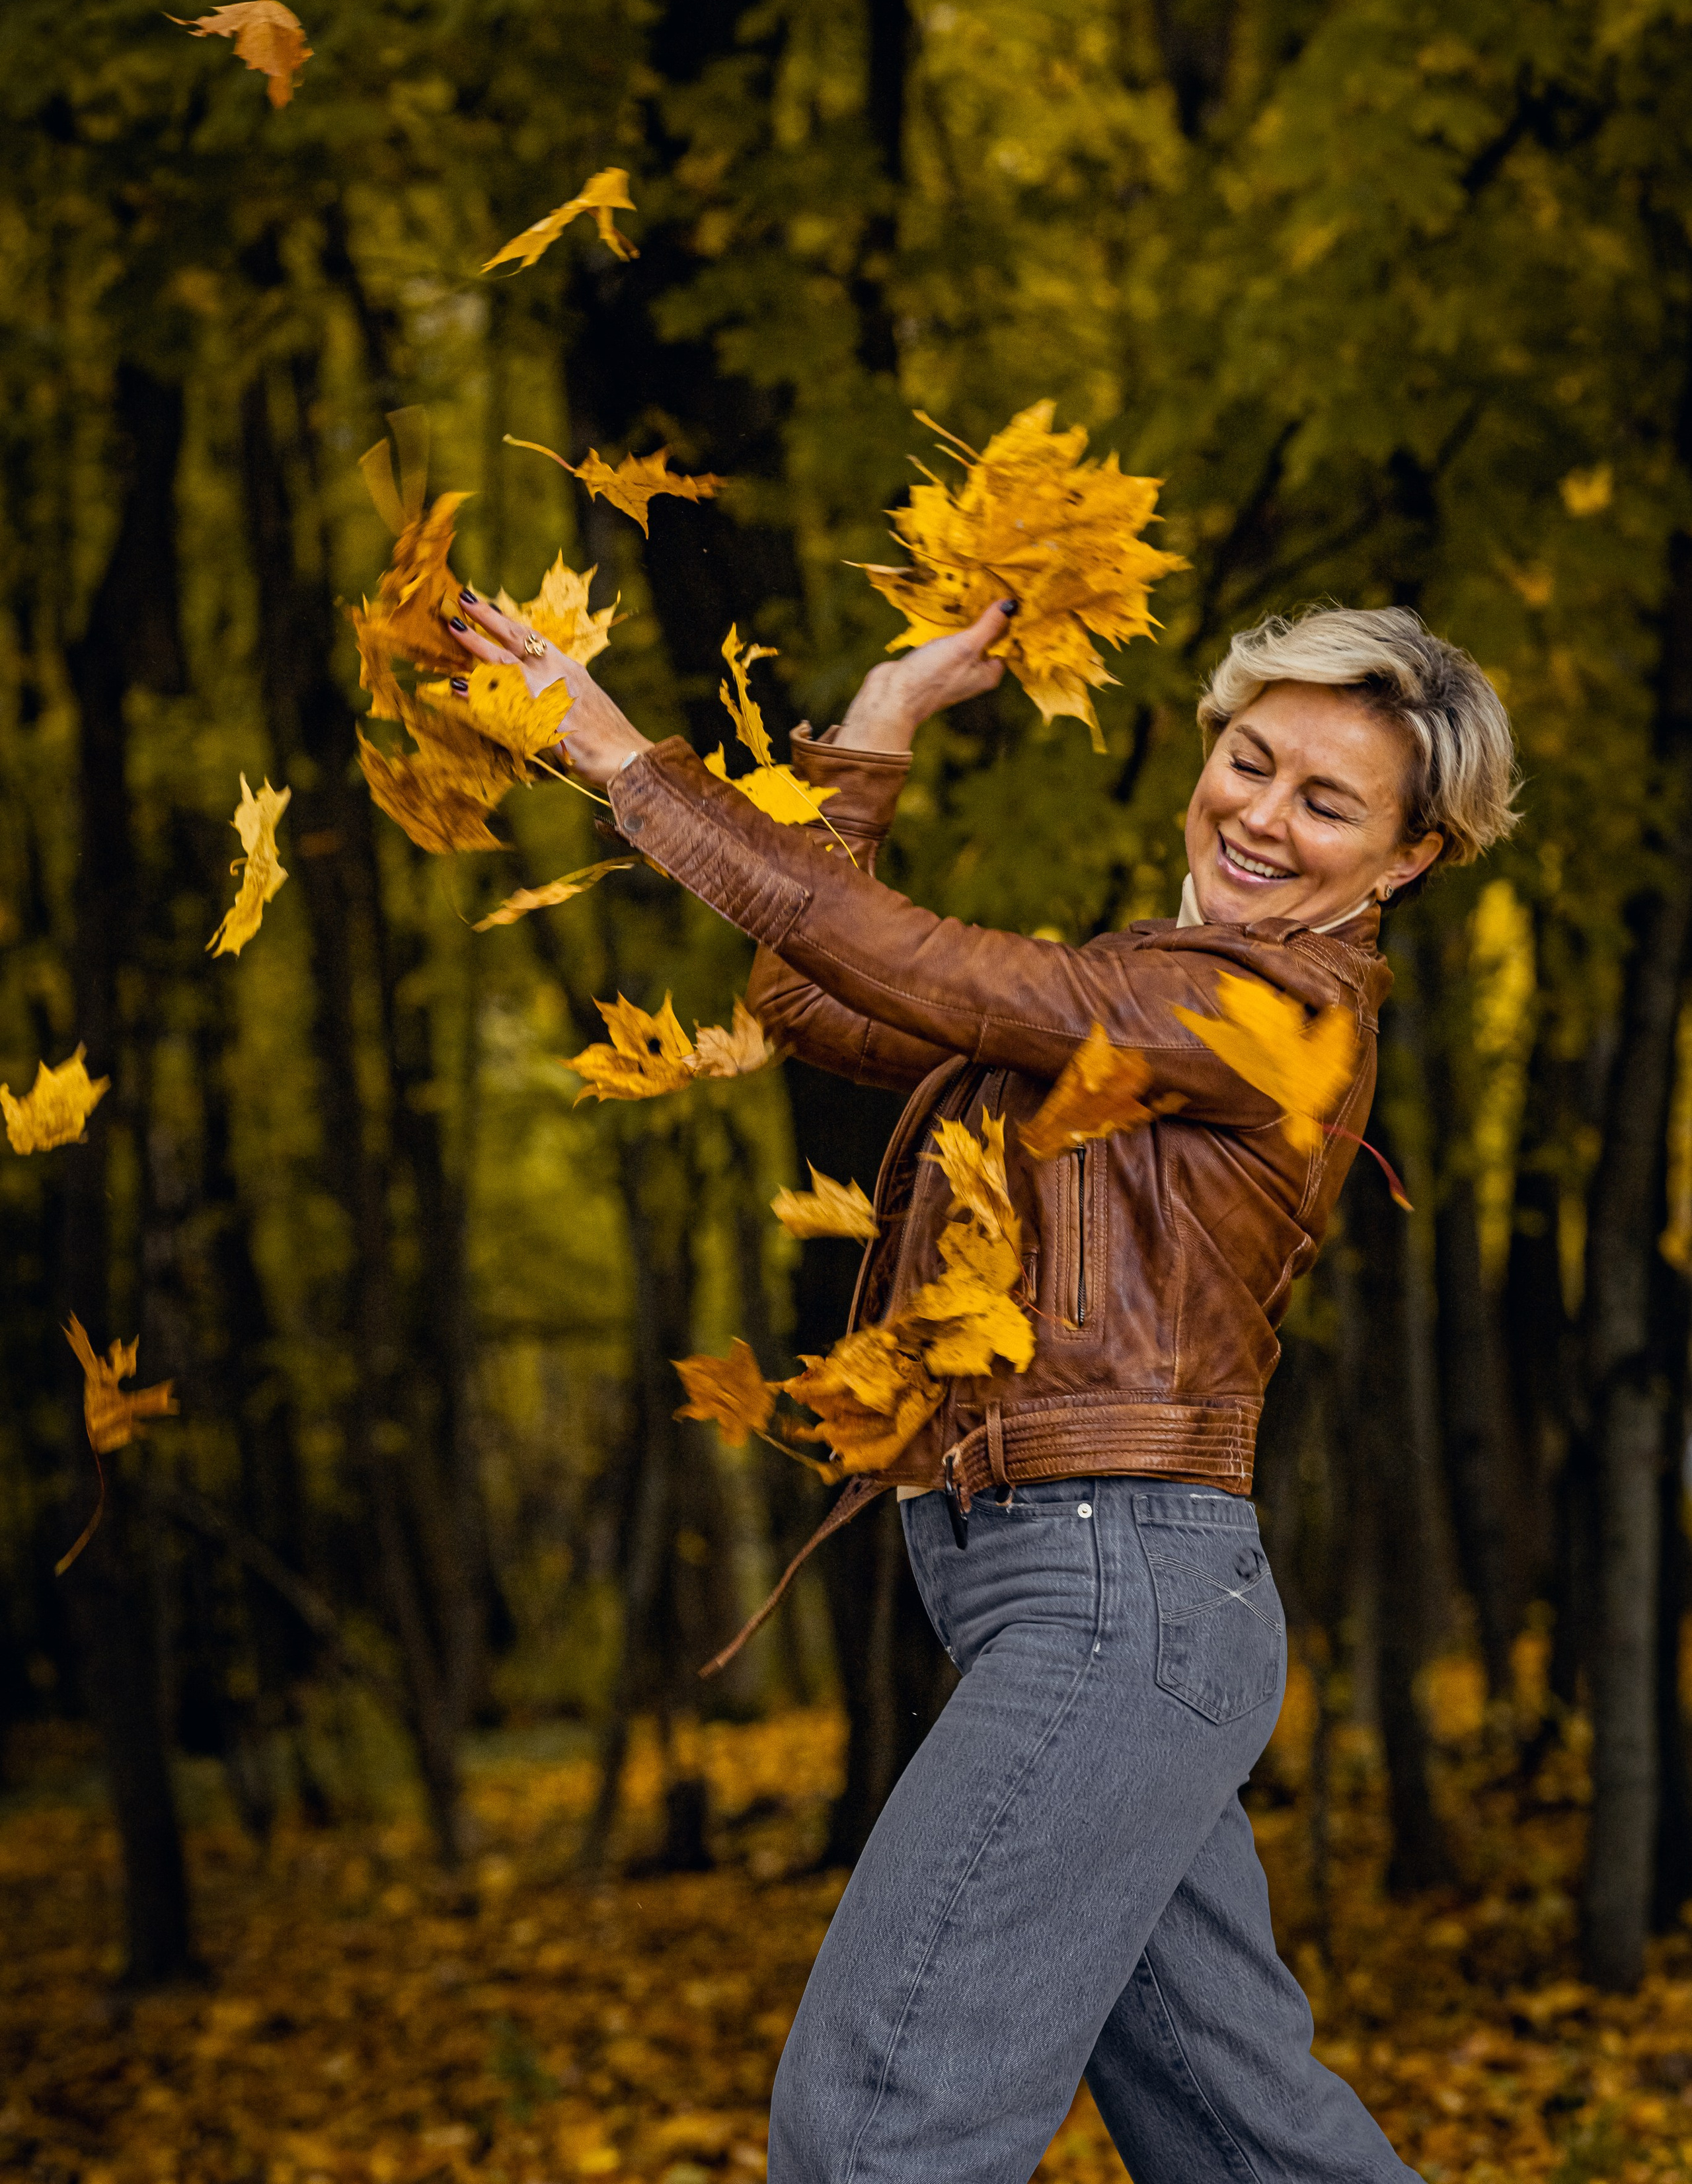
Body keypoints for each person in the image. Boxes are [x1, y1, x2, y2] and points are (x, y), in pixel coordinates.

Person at [449, 586, 1518, 2184]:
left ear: (1408, 859)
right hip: (1115, 1611)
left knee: (879, 2134)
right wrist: (879, 723)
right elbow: (816, 994)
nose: (1261, 818)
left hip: (1114, 1597)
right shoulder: (1143, 1004)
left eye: (1327, 803)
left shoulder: (1265, 1012)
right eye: (1248, 760)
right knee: (1249, 2144)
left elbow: (934, 969)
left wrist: (624, 765)